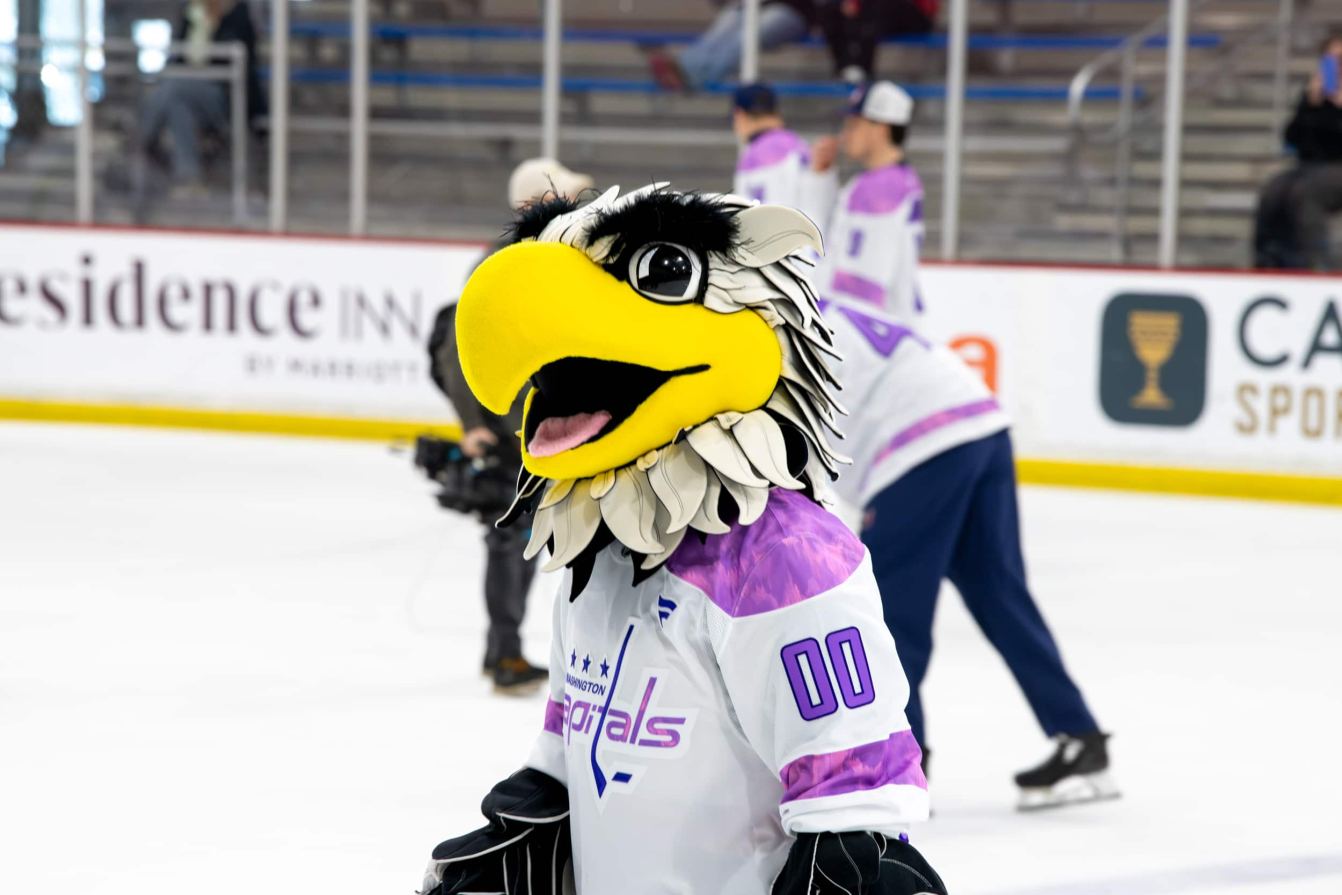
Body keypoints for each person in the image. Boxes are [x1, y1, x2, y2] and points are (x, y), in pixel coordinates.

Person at [419, 186, 946, 894]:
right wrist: (531, 821)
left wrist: (853, 863)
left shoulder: (784, 561)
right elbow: (570, 748)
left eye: (663, 273)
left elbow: (852, 802)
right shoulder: (596, 553)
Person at [819, 294, 1116, 811]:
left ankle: (900, 768)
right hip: (978, 422)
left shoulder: (757, 322)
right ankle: (1081, 738)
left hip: (916, 448)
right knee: (999, 594)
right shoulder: (816, 303)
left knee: (891, 615)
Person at [425, 158, 593, 695]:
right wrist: (472, 425)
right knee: (512, 543)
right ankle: (504, 655)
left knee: (528, 543)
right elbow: (459, 348)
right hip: (509, 433)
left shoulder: (543, 260)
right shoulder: (499, 268)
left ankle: (508, 652)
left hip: (538, 426)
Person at [805, 80, 927, 320]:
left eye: (854, 125)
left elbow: (862, 284)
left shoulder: (880, 187)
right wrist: (821, 179)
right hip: (888, 329)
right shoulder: (893, 180)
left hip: (874, 334)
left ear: (880, 128)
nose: (844, 134)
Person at [138, 0, 263, 192]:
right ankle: (189, 176)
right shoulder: (191, 12)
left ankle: (142, 137)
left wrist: (213, 22)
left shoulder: (237, 13)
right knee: (178, 107)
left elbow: (242, 60)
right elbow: (177, 56)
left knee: (173, 87)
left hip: (224, 94)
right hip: (187, 93)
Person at [1254, 34, 1342, 270]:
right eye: (1330, 61)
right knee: (1275, 188)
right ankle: (1270, 260)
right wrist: (1312, 106)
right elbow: (1293, 137)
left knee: (1307, 192)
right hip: (1312, 166)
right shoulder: (1314, 97)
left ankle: (1317, 265)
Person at [649, 1, 815, 91]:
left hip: (795, 12)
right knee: (729, 17)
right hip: (762, 6)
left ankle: (693, 79)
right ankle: (684, 67)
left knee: (746, 36)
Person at [815, 0, 939, 83]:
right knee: (830, 10)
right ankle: (845, 66)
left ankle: (863, 69)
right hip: (873, 10)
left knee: (875, 10)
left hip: (914, 13)